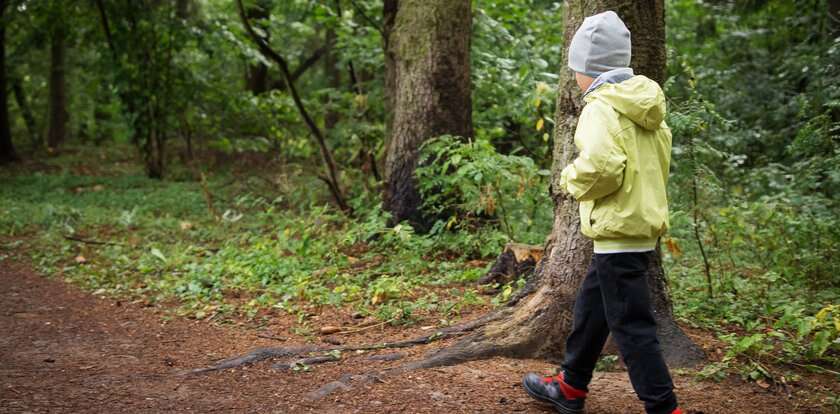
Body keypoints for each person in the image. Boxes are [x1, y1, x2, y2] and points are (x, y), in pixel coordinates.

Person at [521, 10, 683, 414]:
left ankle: (664, 407)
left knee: (632, 327)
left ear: (589, 70)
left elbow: (601, 168)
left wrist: (570, 179)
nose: (575, 76)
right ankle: (571, 385)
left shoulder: (601, 108)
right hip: (637, 227)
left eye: (577, 68)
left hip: (618, 228)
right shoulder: (646, 107)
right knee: (593, 307)